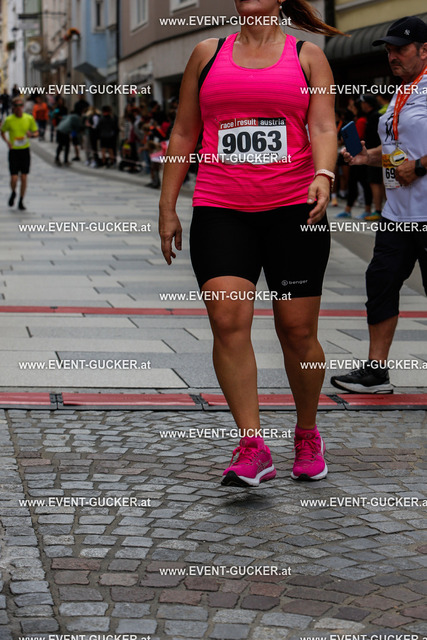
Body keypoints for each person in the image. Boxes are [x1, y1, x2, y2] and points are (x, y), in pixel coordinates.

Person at [159, 0, 342, 485]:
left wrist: (324, 174)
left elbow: (324, 125)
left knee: (296, 331)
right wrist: (167, 206)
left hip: (294, 209)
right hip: (221, 208)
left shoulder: (307, 56)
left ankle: (307, 434)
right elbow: (184, 132)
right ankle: (252, 445)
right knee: (227, 319)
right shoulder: (207, 53)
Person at [331, 16, 427, 394]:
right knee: (380, 284)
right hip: (395, 214)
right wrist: (365, 157)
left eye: (400, 49)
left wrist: (420, 166)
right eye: (388, 50)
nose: (392, 56)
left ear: (424, 50)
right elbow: (395, 150)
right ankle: (376, 371)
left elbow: (415, 159)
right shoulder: (400, 93)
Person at [336, 99, 373, 219]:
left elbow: (359, 137)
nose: (350, 109)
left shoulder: (362, 121)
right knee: (354, 182)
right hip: (357, 155)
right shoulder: (358, 120)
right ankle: (349, 209)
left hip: (359, 154)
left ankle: (366, 209)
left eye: (352, 107)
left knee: (362, 183)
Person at [1, 96, 39, 210]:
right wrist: (7, 142)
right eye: (16, 106)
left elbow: (36, 132)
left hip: (24, 150)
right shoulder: (9, 120)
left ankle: (21, 200)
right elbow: (2, 132)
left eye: (20, 105)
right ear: (13, 107)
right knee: (14, 178)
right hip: (13, 151)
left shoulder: (29, 118)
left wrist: (31, 135)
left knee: (23, 177)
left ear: (23, 106)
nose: (18, 108)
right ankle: (13, 192)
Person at [359, 94, 383, 221]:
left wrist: (370, 153)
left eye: (363, 102)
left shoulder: (375, 116)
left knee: (375, 182)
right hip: (373, 153)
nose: (361, 105)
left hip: (376, 153)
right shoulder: (372, 115)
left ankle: (378, 210)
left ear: (368, 103)